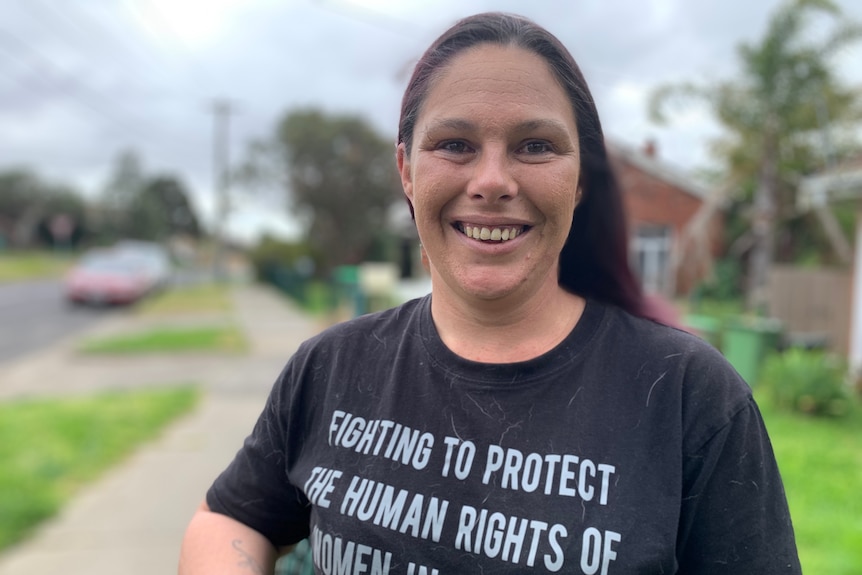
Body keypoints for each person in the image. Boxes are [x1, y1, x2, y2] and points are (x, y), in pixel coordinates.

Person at [179, 12, 801, 574]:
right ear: (406, 171)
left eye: (535, 146)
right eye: (455, 144)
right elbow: (230, 517)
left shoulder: (690, 398)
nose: (493, 180)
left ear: (579, 178)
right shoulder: (330, 367)